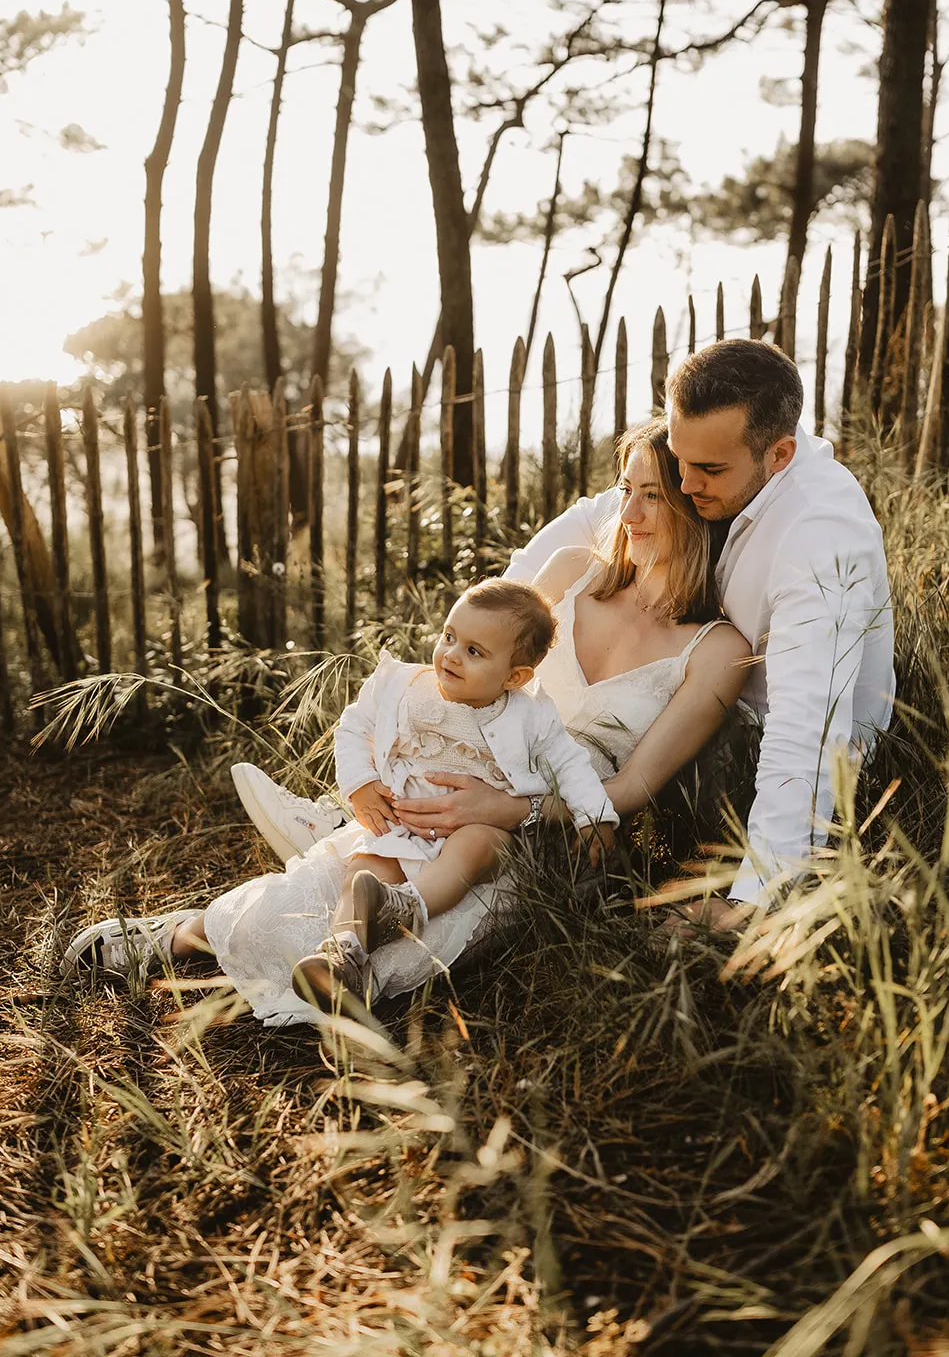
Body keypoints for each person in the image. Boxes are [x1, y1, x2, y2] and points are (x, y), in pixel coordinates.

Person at [62, 421, 750, 1022]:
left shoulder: (716, 650)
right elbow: (470, 660)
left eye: (651, 495)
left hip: (549, 833)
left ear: (695, 498)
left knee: (401, 956)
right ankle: (185, 934)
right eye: (624, 489)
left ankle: (271, 945)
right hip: (459, 770)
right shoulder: (574, 572)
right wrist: (404, 759)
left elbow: (630, 788)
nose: (627, 513)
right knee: (348, 873)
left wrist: (504, 809)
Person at [63, 579, 618, 1018]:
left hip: (475, 834)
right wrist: (359, 783)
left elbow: (571, 766)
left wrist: (595, 816)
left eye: (474, 651)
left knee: (479, 842)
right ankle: (342, 951)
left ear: (515, 677)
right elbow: (354, 728)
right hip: (401, 827)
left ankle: (407, 907)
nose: (450, 654)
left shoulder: (531, 716)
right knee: (363, 872)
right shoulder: (405, 685)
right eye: (449, 636)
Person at [507, 339, 895, 921]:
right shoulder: (710, 472)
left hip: (765, 756)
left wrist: (754, 904)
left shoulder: (819, 537)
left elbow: (809, 734)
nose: (685, 486)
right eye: (678, 459)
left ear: (779, 455)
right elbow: (590, 523)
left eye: (707, 470)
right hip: (694, 715)